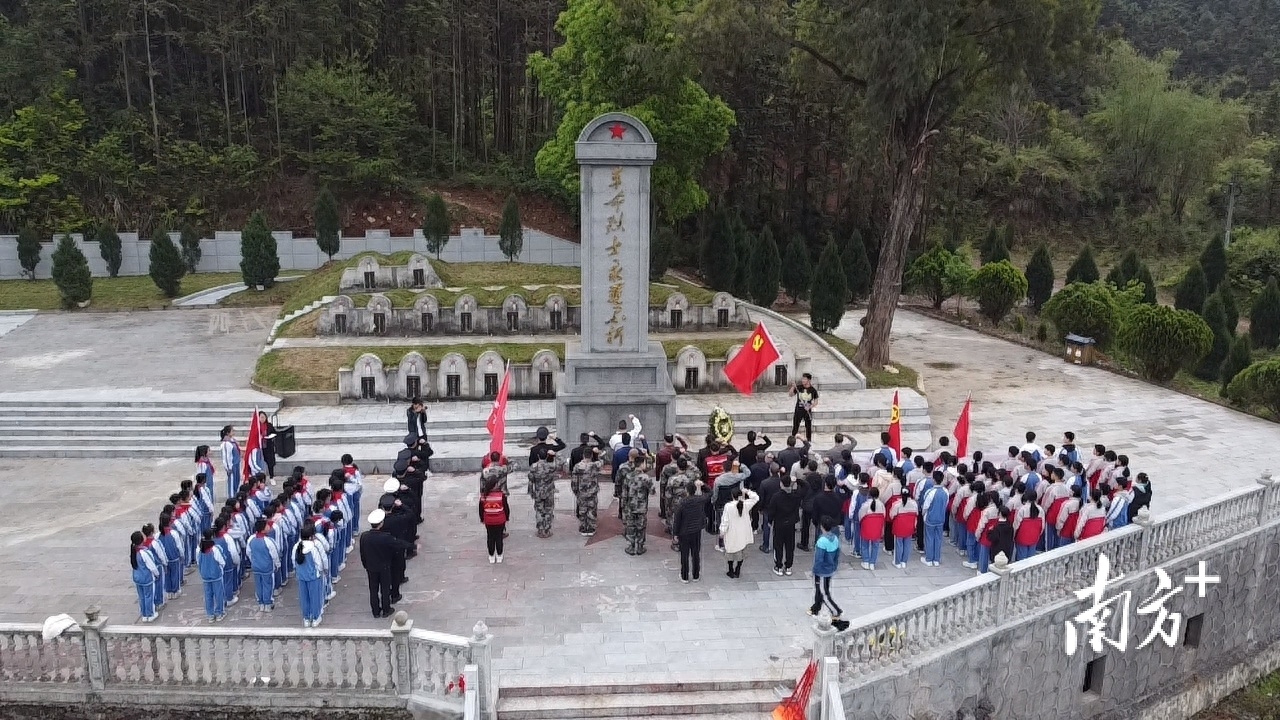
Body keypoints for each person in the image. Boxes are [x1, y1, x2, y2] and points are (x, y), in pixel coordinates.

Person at [362, 509, 417, 617]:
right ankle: (386, 609)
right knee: (385, 588)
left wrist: (366, 565)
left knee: (373, 589)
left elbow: (362, 553)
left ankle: (376, 611)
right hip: (384, 566)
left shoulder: (364, 536)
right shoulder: (385, 537)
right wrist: (413, 546)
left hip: (371, 567)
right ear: (381, 523)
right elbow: (399, 543)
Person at [808, 517, 847, 630]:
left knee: (824, 593)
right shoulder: (834, 538)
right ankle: (817, 607)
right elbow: (837, 553)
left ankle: (836, 611)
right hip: (830, 568)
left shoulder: (821, 541)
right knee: (824, 589)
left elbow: (819, 559)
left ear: (822, 527)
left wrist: (814, 571)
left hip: (821, 571)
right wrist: (834, 566)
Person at [673, 481, 710, 583]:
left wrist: (675, 533)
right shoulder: (699, 500)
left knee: (684, 554)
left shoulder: (682, 503)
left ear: (686, 491)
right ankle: (696, 575)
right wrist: (703, 485)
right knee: (695, 553)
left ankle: (685, 576)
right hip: (696, 530)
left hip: (684, 532)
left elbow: (677, 520)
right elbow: (710, 493)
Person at [621, 451, 655, 555]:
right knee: (641, 526)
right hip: (641, 507)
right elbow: (653, 491)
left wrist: (624, 507)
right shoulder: (646, 478)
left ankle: (631, 547)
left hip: (630, 506)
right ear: (641, 464)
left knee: (631, 526)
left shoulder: (628, 476)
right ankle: (640, 547)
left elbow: (624, 493)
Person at [768, 476, 802, 575]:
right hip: (791, 524)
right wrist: (797, 480)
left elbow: (772, 511)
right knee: (789, 546)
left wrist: (770, 521)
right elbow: (805, 487)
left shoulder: (776, 496)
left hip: (779, 524)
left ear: (781, 484)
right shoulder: (795, 496)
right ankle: (788, 567)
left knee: (778, 545)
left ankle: (778, 566)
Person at [294, 524, 325, 628]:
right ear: (311, 536)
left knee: (304, 598)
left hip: (301, 576)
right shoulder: (313, 548)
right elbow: (318, 563)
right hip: (313, 577)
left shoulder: (296, 547)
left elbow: (293, 561)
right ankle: (315, 618)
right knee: (315, 597)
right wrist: (321, 571)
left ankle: (306, 618)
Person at [247, 518, 281, 612]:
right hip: (267, 567)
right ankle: (268, 603)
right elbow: (274, 555)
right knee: (268, 585)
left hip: (256, 567)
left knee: (258, 585)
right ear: (263, 528)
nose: (269, 526)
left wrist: (254, 561)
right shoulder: (268, 541)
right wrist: (277, 564)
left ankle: (261, 603)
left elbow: (249, 552)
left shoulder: (251, 539)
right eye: (267, 525)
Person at [572, 447, 604, 536]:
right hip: (592, 492)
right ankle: (591, 528)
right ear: (591, 455)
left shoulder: (577, 466)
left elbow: (574, 481)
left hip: (581, 492)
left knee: (582, 510)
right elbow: (602, 461)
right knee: (592, 510)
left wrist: (576, 491)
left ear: (583, 455)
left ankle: (583, 527)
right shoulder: (596, 465)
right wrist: (597, 454)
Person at [130, 531, 161, 622]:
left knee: (141, 596)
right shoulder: (144, 552)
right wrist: (157, 574)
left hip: (137, 578)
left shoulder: (133, 552)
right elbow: (152, 566)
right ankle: (150, 614)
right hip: (146, 578)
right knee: (149, 596)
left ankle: (144, 614)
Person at [528, 451, 559, 538]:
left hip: (538, 492)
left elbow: (531, 481)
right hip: (549, 492)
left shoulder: (534, 466)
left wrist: (531, 492)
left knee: (539, 511)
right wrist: (554, 455)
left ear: (538, 455)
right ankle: (547, 530)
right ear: (547, 456)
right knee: (548, 511)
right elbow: (561, 464)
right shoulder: (551, 466)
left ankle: (540, 530)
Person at [197, 533, 227, 623]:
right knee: (218, 594)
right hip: (216, 576)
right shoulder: (215, 550)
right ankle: (219, 613)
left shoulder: (200, 552)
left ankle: (210, 615)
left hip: (205, 577)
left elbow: (199, 563)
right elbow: (222, 562)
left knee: (208, 596)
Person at [479, 480, 511, 563]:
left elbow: (481, 510)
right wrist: (507, 518)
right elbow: (506, 508)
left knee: (490, 537)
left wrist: (482, 519)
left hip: (488, 521)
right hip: (500, 520)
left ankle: (491, 556)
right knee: (499, 537)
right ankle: (499, 555)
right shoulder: (501, 495)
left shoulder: (483, 496)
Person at [920, 471, 948, 566]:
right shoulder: (946, 492)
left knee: (929, 538)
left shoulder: (930, 492)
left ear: (934, 480)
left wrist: (923, 515)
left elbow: (925, 506)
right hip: (941, 518)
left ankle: (929, 559)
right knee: (938, 539)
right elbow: (945, 504)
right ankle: (936, 559)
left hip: (930, 518)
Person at [856, 488, 886, 570]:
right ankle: (872, 563)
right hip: (877, 527)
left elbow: (860, 516)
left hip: (867, 527)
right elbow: (884, 516)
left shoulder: (865, 505)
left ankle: (866, 561)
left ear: (869, 495)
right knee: (875, 545)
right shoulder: (881, 505)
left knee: (865, 544)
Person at [889, 487, 918, 569]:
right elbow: (916, 514)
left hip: (899, 526)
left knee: (898, 544)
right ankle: (904, 561)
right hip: (910, 526)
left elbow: (891, 515)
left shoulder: (897, 504)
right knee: (907, 544)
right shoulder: (914, 504)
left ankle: (897, 562)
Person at [1013, 490, 1044, 561]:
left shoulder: (1022, 509)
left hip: (1022, 538)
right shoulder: (1041, 509)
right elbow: (1042, 526)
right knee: (1031, 559)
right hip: (1034, 537)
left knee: (1021, 559)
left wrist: (1013, 536)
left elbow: (1016, 525)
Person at [788, 373, 819, 441]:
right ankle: (792, 441)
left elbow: (816, 402)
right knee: (795, 426)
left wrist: (810, 407)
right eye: (802, 379)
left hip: (807, 411)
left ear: (809, 380)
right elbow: (790, 394)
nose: (802, 380)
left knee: (808, 427)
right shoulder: (799, 387)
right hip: (798, 410)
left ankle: (809, 441)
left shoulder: (813, 390)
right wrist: (793, 387)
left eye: (804, 379)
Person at [220, 426, 242, 498]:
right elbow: (226, 457)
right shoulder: (226, 443)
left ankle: (235, 494)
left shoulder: (232, 440)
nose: (233, 432)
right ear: (227, 433)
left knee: (237, 480)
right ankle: (232, 497)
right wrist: (228, 468)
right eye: (232, 431)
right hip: (231, 466)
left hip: (236, 464)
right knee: (232, 482)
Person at [258, 411, 278, 482]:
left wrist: (271, 436)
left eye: (264, 417)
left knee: (270, 463)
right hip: (260, 448)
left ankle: (271, 477)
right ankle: (261, 479)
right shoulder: (257, 427)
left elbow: (274, 432)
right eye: (261, 417)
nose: (263, 419)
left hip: (269, 447)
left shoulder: (269, 425)